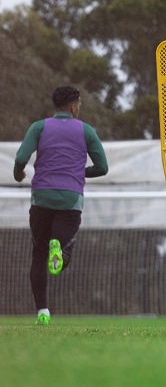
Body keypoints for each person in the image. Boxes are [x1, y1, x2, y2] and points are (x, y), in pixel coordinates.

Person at [13, 86, 109, 325]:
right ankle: (60, 249)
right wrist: (78, 172)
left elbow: (21, 158)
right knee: (62, 251)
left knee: (38, 252)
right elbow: (103, 167)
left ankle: (42, 312)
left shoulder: (39, 127)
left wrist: (18, 174)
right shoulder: (86, 130)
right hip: (70, 196)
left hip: (42, 196)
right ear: (74, 107)